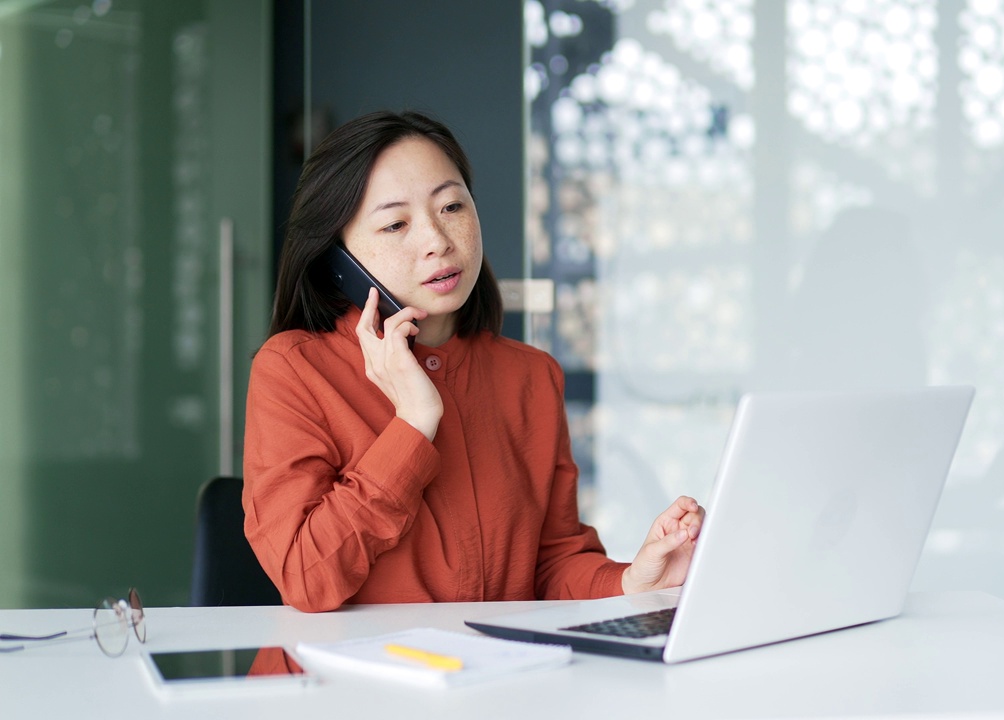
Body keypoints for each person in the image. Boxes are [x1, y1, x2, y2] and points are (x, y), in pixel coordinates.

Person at [244, 110, 704, 613]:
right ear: (338, 260)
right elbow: (307, 580)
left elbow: (551, 563)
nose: (438, 241)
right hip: (341, 685)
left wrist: (635, 581)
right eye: (396, 223)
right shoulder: (293, 370)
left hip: (492, 683)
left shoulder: (529, 377)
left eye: (452, 207)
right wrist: (413, 426)